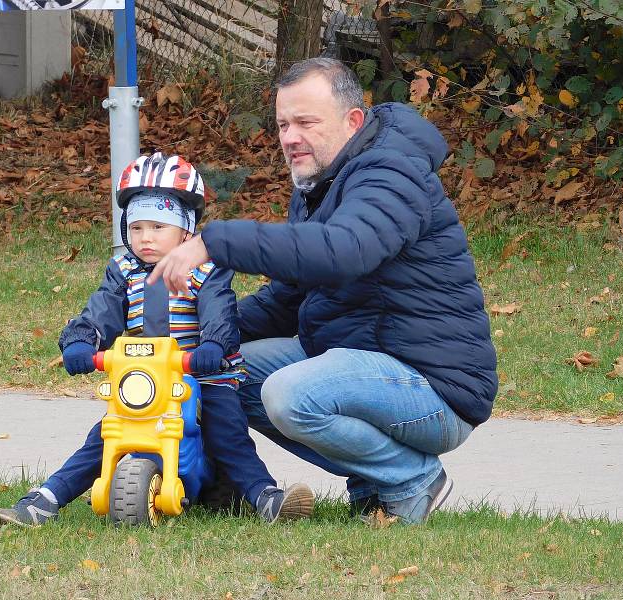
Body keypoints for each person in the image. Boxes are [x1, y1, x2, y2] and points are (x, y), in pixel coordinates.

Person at [148, 58, 498, 525]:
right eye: (283, 124)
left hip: (434, 389)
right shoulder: (320, 183)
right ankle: (371, 485)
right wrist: (193, 334)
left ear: (353, 122)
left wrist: (217, 241)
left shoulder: (390, 174)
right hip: (366, 364)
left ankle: (410, 478)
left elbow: (345, 250)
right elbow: (290, 297)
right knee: (227, 374)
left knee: (290, 393)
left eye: (306, 122)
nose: (291, 137)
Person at [0, 152, 314, 528]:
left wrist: (213, 346)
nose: (146, 238)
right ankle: (42, 501)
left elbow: (219, 312)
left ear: (186, 229)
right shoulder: (123, 271)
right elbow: (102, 311)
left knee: (227, 434)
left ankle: (266, 497)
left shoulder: (206, 268)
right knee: (105, 436)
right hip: (144, 379)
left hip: (203, 375)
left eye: (158, 228)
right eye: (137, 227)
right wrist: (81, 342)